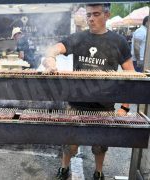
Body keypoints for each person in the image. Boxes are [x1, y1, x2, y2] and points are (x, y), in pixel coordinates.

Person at [43, 3, 135, 180]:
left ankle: (98, 172)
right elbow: (57, 47)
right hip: (76, 102)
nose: (91, 18)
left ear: (107, 15)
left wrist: (125, 107)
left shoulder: (119, 42)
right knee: (70, 141)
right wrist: (50, 56)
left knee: (100, 144)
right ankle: (64, 168)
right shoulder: (79, 38)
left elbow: (130, 74)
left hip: (104, 104)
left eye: (96, 14)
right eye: (89, 15)